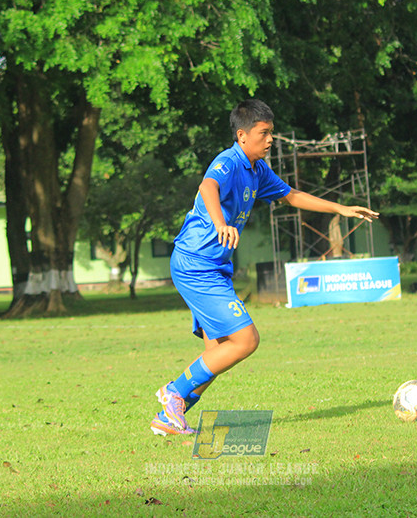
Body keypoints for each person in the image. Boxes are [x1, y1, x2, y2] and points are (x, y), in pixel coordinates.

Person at [150, 99, 379, 435]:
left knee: (218, 353)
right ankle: (173, 392)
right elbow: (207, 187)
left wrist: (340, 209)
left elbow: (292, 195)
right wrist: (219, 223)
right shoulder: (228, 162)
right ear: (242, 135)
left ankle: (172, 415)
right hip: (196, 264)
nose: (271, 139)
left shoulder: (257, 169)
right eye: (264, 133)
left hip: (213, 268)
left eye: (272, 132)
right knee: (246, 340)